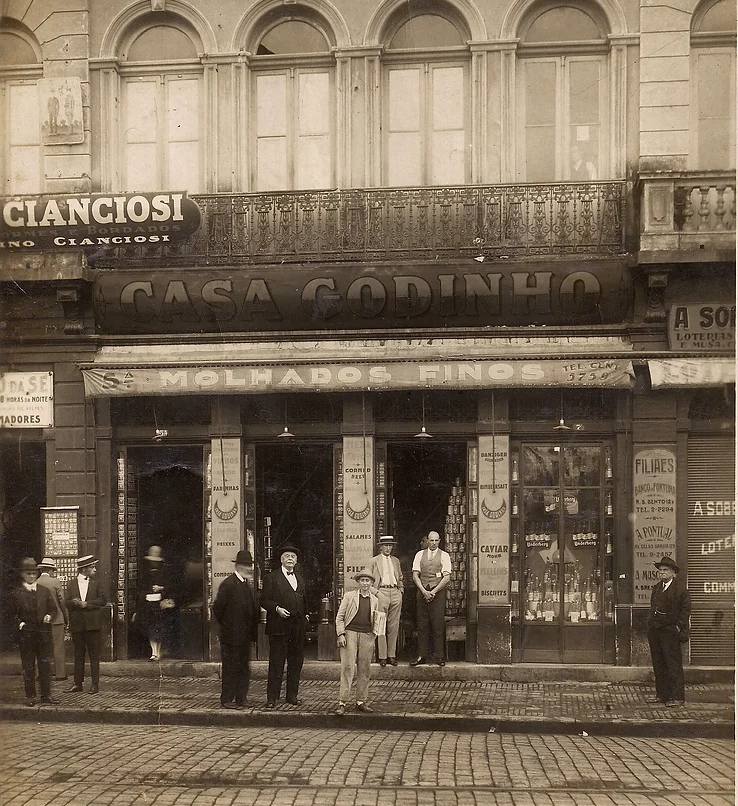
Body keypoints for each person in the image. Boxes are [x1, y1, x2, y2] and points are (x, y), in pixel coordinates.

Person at [260, 543, 307, 708]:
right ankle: (272, 698)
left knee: (295, 663)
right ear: (281, 559)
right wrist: (277, 609)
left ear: (296, 561)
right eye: (287, 556)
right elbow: (264, 600)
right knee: (277, 663)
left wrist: (305, 615)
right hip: (279, 628)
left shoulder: (300, 578)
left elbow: (304, 600)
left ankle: (292, 696)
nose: (290, 559)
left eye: (293, 557)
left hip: (297, 629)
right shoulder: (271, 578)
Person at [213, 549, 257, 710]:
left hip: (245, 636)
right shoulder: (228, 584)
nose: (249, 568)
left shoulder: (246, 585)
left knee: (243, 668)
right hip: (231, 636)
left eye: (250, 565)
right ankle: (227, 699)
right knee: (231, 667)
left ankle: (241, 698)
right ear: (238, 566)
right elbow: (218, 609)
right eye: (246, 565)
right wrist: (228, 626)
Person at [335, 569, 382, 716]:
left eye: (368, 581)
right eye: (362, 580)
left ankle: (361, 701)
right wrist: (341, 634)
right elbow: (339, 617)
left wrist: (374, 634)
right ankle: (342, 702)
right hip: (350, 634)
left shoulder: (375, 600)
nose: (365, 583)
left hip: (367, 635)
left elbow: (377, 619)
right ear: (358, 582)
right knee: (348, 667)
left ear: (372, 583)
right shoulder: (349, 596)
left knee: (364, 669)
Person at [11, 558, 58, 706]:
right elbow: (10, 615)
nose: (31, 576)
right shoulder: (16, 593)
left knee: (45, 665)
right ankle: (30, 697)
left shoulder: (44, 591)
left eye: (33, 574)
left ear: (37, 574)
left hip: (43, 634)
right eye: (28, 574)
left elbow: (53, 609)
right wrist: (20, 624)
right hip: (27, 635)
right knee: (29, 666)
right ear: (23, 575)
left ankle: (46, 696)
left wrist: (50, 615)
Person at [646, 556, 691, 707]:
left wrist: (678, 626)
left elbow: (685, 611)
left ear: (673, 573)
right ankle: (662, 695)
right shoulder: (657, 588)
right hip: (656, 632)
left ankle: (677, 697)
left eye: (665, 570)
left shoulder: (680, 590)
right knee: (659, 664)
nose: (662, 573)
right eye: (660, 571)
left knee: (673, 664)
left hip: (671, 632)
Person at [65, 555, 107, 694]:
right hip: (77, 625)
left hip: (93, 625)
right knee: (78, 655)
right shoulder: (71, 584)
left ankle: (95, 684)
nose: (94, 570)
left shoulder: (96, 583)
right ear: (84, 569)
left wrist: (87, 604)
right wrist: (74, 602)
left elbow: (103, 600)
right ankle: (78, 684)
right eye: (92, 567)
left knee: (94, 656)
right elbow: (66, 602)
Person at [410, 530, 451, 667]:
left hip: (437, 592)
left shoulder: (444, 555)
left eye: (436, 540)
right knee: (422, 624)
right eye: (431, 540)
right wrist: (423, 591)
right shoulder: (419, 555)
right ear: (427, 540)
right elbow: (415, 575)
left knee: (437, 624)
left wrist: (433, 591)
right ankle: (422, 655)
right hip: (422, 591)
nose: (433, 543)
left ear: (440, 541)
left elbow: (447, 577)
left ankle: (439, 656)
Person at [368, 535, 403, 666]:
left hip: (395, 592)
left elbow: (400, 577)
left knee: (394, 626)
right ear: (380, 547)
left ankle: (391, 655)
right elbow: (366, 580)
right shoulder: (373, 561)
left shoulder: (396, 561)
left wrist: (401, 591)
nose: (388, 548)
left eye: (390, 545)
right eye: (385, 545)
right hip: (381, 592)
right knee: (381, 625)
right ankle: (382, 656)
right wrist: (376, 593)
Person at [135, 545, 175, 661]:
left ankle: (158, 651)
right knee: (151, 629)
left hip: (160, 604)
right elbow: (140, 589)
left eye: (155, 561)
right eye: (152, 561)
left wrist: (161, 588)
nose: (153, 563)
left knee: (159, 628)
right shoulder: (144, 574)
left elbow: (170, 587)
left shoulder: (165, 573)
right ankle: (154, 652)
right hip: (149, 604)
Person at [36, 557, 69, 680]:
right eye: (53, 571)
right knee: (58, 647)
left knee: (42, 647)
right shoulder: (55, 582)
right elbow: (62, 601)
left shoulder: (36, 582)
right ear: (50, 571)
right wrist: (66, 618)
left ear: (41, 570)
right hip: (57, 619)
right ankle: (60, 674)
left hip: (41, 620)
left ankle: (42, 673)